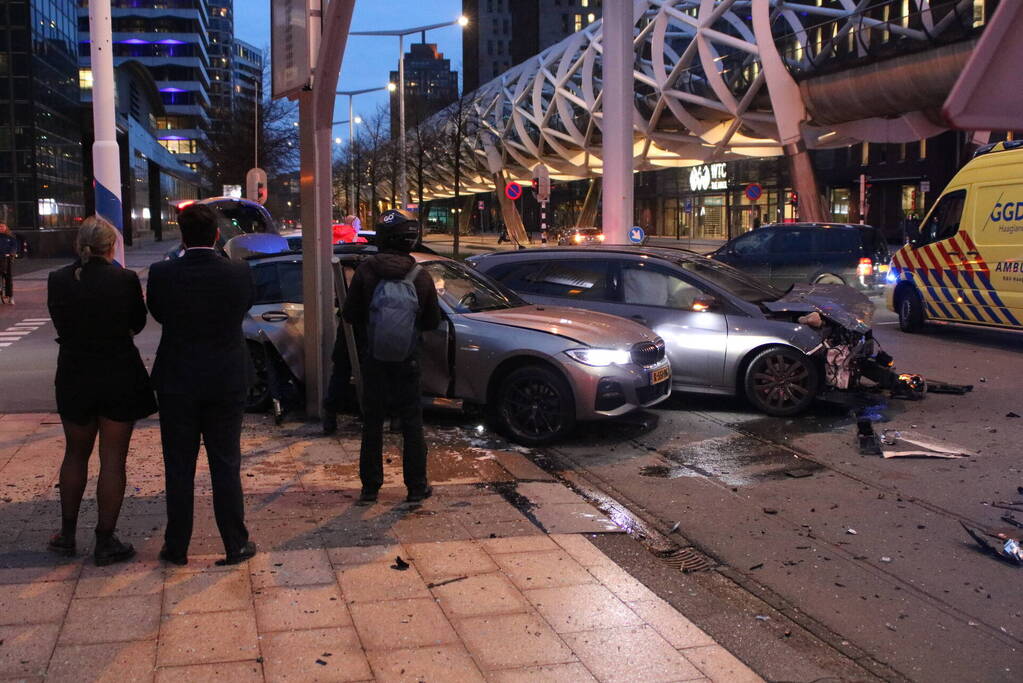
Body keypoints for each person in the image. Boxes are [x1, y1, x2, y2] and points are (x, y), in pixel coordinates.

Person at [147, 203, 257, 566]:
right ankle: (235, 543)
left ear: (181, 235)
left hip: (178, 378)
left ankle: (177, 545)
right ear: (215, 236)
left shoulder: (162, 274)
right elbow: (242, 308)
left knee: (178, 465)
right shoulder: (238, 274)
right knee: (225, 463)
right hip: (226, 378)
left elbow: (159, 314)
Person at [46, 217, 157, 565]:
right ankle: (104, 540)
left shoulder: (58, 280)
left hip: (75, 372)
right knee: (113, 459)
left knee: (74, 454)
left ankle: (66, 535)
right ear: (112, 247)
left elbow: (60, 320)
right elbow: (137, 323)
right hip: (118, 373)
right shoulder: (124, 279)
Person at [341, 209, 441, 504]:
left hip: (374, 359)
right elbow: (432, 322)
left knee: (372, 423)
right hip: (408, 360)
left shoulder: (366, 271)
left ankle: (370, 487)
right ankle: (416, 487)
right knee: (412, 423)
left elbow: (350, 315)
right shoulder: (420, 276)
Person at [0, 223, 19, 303]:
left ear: (6, 227)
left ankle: (10, 296)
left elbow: (14, 246)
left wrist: (12, 253)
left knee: (8, 277)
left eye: (2, 226)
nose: (0, 228)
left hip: (7, 259)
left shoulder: (11, 237)